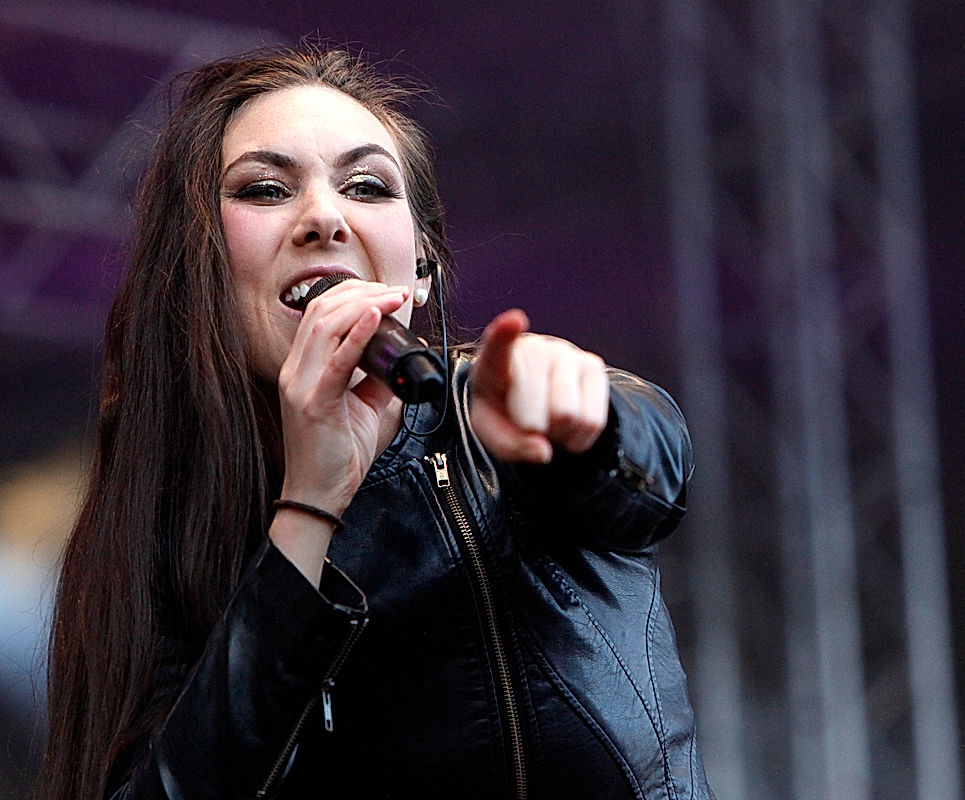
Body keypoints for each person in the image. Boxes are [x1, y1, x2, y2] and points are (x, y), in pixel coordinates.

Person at [39, 44, 710, 800]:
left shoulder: (502, 410)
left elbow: (653, 464)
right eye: (263, 190)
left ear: (420, 266)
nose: (323, 217)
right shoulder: (164, 527)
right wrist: (308, 509)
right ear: (201, 269)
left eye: (366, 186)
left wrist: (581, 418)